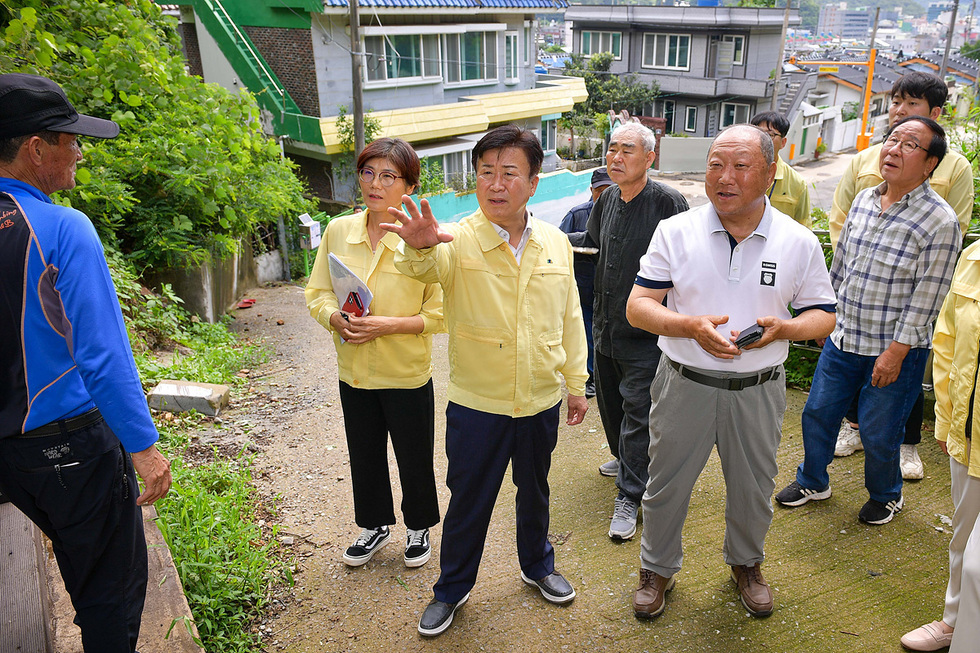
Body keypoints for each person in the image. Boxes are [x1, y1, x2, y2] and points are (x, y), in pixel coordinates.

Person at [383, 125, 589, 637]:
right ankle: (451, 589)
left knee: (535, 491)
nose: (495, 184)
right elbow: (425, 266)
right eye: (485, 173)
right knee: (469, 498)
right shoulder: (457, 238)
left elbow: (570, 318)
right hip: (479, 404)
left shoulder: (556, 243)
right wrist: (421, 248)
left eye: (509, 173)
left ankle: (537, 565)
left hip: (540, 398)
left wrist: (576, 382)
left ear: (534, 182)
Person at [625, 124, 836, 619]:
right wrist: (689, 326)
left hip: (758, 390)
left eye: (740, 166)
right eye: (716, 164)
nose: (724, 177)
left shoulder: (798, 241)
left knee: (754, 486)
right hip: (684, 383)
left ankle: (746, 564)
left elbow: (824, 314)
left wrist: (784, 329)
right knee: (665, 483)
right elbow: (638, 306)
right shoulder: (675, 231)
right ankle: (656, 569)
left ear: (770, 173)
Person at [0, 73, 172, 653]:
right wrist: (143, 447)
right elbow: (101, 355)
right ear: (34, 147)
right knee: (110, 591)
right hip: (67, 443)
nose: (79, 150)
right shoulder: (60, 229)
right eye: (69, 138)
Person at [776, 116, 961, 526]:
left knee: (880, 431)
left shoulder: (940, 220)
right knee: (818, 413)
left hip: (894, 349)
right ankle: (813, 480)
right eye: (892, 139)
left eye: (909, 145)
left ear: (930, 163)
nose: (893, 149)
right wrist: (825, 318)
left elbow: (928, 297)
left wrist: (896, 353)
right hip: (843, 337)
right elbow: (840, 267)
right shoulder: (864, 199)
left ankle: (886, 494)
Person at [305, 137, 443, 569]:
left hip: (405, 372)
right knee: (363, 452)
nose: (375, 184)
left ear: (408, 186)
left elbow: (438, 315)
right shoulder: (338, 231)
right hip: (355, 370)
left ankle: (418, 526)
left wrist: (386, 325)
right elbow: (317, 292)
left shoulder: (422, 239)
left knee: (413, 453)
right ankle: (374, 525)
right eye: (368, 173)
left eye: (388, 176)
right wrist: (334, 318)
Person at [829, 71, 974, 481]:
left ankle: (907, 446)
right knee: (853, 369)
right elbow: (842, 217)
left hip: (913, 287)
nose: (899, 111)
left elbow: (956, 228)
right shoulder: (866, 159)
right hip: (862, 287)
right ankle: (854, 428)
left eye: (911, 104)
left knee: (906, 370)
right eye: (896, 102)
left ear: (935, 113)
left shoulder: (953, 165)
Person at [568, 122, 689, 541]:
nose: (616, 158)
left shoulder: (669, 203)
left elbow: (688, 266)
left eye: (627, 151)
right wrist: (541, 237)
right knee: (610, 407)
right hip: (605, 329)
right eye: (612, 149)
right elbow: (589, 242)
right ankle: (626, 461)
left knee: (639, 413)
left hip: (648, 337)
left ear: (650, 159)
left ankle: (630, 495)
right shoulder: (607, 201)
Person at [899, 241, 980, 652]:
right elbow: (946, 341)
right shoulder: (975, 257)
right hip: (969, 438)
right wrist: (948, 423)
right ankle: (954, 621)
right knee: (963, 538)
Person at [559, 166, 616, 403]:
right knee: (585, 332)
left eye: (609, 191)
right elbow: (557, 247)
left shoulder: (625, 216)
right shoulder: (576, 215)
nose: (603, 197)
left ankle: (607, 377)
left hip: (613, 290)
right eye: (598, 191)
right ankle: (589, 378)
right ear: (590, 190)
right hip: (583, 288)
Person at [749, 110, 811, 228]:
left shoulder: (797, 184)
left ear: (783, 142)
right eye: (758, 134)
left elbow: (803, 227)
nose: (762, 140)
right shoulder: (736, 173)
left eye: (769, 135)